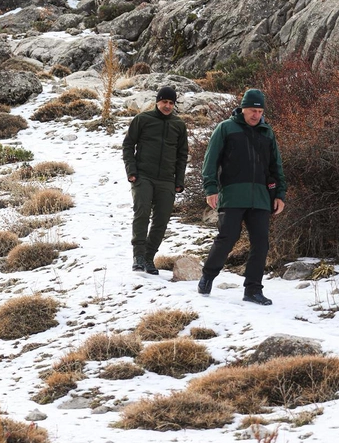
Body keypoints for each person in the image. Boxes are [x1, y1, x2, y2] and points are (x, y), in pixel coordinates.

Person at [198, 88, 286, 305]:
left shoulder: (267, 132)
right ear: (243, 108)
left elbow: (276, 166)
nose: (256, 115)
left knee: (261, 243)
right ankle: (208, 275)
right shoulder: (226, 128)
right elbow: (210, 161)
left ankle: (253, 290)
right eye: (253, 110)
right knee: (227, 238)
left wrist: (279, 195)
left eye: (260, 111)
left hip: (261, 197)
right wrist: (211, 189)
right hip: (233, 195)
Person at [122, 85, 188, 275]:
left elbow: (182, 155)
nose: (167, 106)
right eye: (164, 102)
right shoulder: (143, 119)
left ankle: (149, 257)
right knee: (142, 213)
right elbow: (128, 145)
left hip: (167, 180)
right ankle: (138, 256)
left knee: (161, 220)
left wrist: (179, 180)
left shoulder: (178, 125)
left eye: (171, 103)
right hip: (143, 176)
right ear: (157, 101)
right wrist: (132, 171)